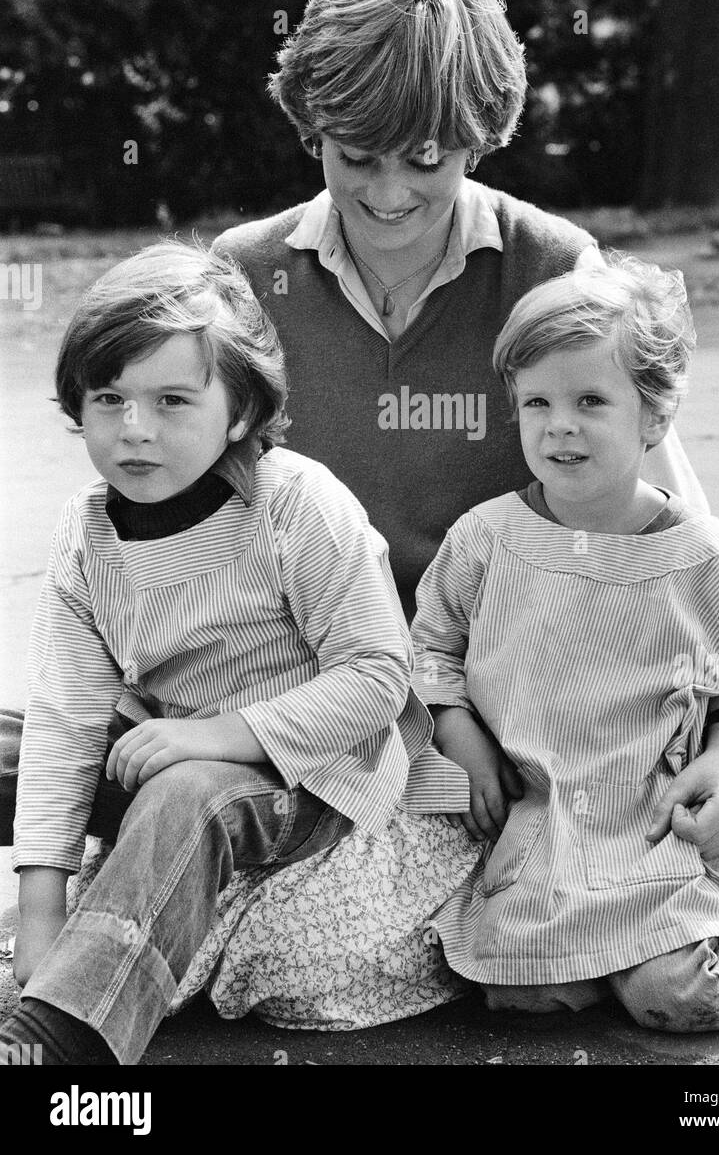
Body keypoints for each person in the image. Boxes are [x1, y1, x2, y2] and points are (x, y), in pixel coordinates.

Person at [213, 0, 719, 857]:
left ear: (480, 134)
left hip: (527, 698)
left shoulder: (553, 269)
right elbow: (186, 516)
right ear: (311, 129)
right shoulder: (244, 279)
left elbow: (676, 535)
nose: (387, 195)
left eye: (426, 159)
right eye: (356, 156)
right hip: (315, 694)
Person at [0, 242, 476, 1064]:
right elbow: (68, 724)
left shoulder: (294, 506)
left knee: (190, 793)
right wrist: (39, 920)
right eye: (108, 398)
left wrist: (214, 737)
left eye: (173, 400)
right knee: (18, 745)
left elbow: (375, 680)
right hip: (169, 747)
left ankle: (66, 1036)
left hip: (312, 779)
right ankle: (68, 959)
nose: (135, 430)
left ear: (243, 412)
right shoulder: (87, 537)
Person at [406, 252, 719, 1029]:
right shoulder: (486, 540)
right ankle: (608, 962)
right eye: (538, 403)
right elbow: (428, 650)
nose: (560, 426)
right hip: (544, 836)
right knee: (517, 991)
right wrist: (455, 726)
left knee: (674, 993)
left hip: (661, 837)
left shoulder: (703, 556)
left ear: (654, 416)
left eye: (592, 400)